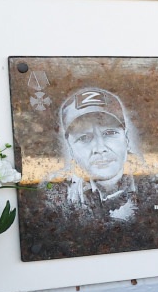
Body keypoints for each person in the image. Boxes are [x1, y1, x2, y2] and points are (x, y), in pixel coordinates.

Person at [57, 86, 140, 222]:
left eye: (109, 133)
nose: (100, 148)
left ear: (126, 138)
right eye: (84, 138)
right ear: (70, 147)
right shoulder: (59, 198)